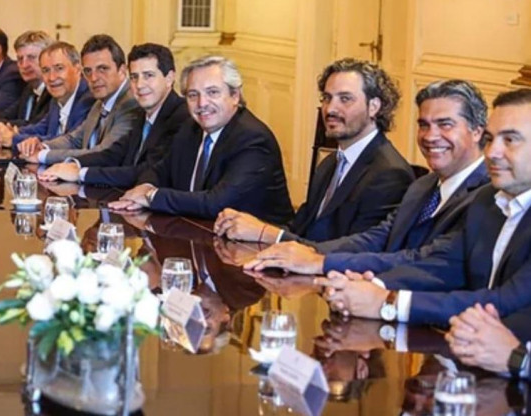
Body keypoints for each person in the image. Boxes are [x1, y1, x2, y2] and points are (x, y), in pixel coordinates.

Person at [315, 88, 531, 328]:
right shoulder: (488, 199)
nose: (492, 152)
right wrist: (372, 286)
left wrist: (388, 302)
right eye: (491, 140)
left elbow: (506, 302)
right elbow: (443, 266)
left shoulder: (481, 194)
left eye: (509, 140)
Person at [245, 80, 490, 275]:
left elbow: (421, 259)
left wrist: (321, 263)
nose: (430, 136)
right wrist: (302, 253)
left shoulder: (487, 197)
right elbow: (375, 239)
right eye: (424, 125)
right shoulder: (423, 186)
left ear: (477, 130)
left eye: (445, 124)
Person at [214, 58, 413, 243]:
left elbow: (354, 253)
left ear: (374, 107)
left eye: (345, 99)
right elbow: (301, 229)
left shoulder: (389, 175)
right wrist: (248, 226)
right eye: (327, 98)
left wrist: (266, 233)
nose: (330, 109)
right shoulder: (330, 163)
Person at [108, 55, 294, 224]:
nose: (202, 104)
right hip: (199, 232)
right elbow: (159, 169)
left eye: (212, 92)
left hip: (256, 249)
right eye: (193, 95)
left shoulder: (252, 139)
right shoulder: (191, 128)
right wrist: (145, 186)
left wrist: (151, 196)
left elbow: (216, 203)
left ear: (235, 96)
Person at [37, 43, 189, 188]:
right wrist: (73, 164)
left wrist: (81, 173)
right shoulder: (144, 113)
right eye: (135, 77)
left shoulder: (181, 117)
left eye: (148, 75)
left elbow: (149, 170)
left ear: (169, 78)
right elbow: (113, 153)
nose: (140, 85)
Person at [16, 34, 139, 164]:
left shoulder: (130, 103)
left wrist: (43, 155)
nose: (94, 78)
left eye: (102, 69)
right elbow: (74, 139)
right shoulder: (100, 103)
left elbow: (103, 153)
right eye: (88, 71)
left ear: (122, 71)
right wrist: (43, 146)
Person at [0, 42, 95, 151]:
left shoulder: (88, 99)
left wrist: (15, 139)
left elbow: (68, 141)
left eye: (59, 68)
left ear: (77, 69)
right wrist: (11, 132)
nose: (52, 77)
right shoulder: (57, 97)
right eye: (46, 70)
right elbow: (41, 128)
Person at [0, 30, 54, 135]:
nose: (24, 65)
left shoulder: (53, 92)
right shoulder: (29, 89)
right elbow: (7, 116)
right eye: (20, 59)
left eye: (31, 58)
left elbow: (34, 126)